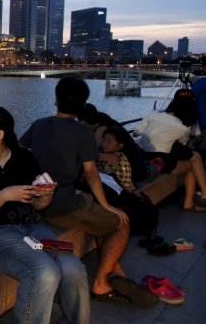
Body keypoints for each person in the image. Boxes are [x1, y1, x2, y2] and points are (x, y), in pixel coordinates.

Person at [20, 77, 157, 307]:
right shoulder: (83, 132)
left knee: (95, 211)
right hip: (61, 204)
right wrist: (107, 205)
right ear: (83, 105)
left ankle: (117, 273)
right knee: (121, 222)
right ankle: (102, 283)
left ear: (55, 100)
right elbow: (92, 173)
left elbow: (21, 150)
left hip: (37, 198)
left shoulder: (39, 124)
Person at [0, 105, 89, 324]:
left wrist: (46, 194)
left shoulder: (24, 157)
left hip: (31, 226)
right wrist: (5, 195)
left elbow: (38, 205)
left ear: (0, 134)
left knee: (73, 268)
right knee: (43, 272)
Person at [134, 90, 206, 212]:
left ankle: (202, 196)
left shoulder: (153, 114)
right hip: (162, 161)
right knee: (193, 163)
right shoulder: (184, 126)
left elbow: (136, 134)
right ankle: (192, 201)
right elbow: (184, 145)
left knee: (194, 159)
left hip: (142, 156)